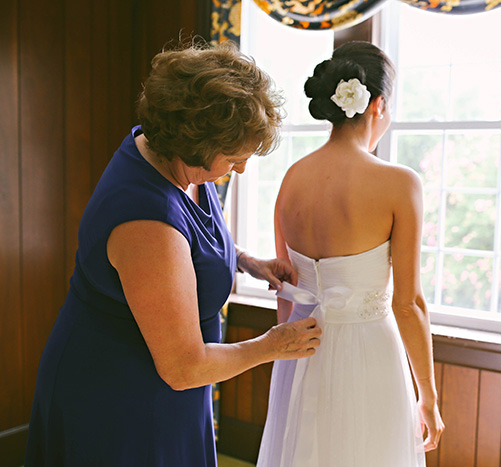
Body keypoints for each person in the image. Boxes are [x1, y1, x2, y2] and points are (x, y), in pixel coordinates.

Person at [24, 40, 321, 466]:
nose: (240, 168)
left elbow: (188, 235)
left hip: (168, 385)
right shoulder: (146, 221)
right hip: (121, 397)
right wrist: (272, 345)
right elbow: (183, 367)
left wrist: (241, 259)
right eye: (235, 158)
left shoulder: (173, 156)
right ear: (196, 143)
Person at [257, 41, 444, 467]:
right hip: (369, 355)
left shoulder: (292, 179)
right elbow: (408, 303)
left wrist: (289, 369)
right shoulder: (399, 183)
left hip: (300, 349)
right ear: (377, 104)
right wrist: (427, 397)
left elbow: (285, 290)